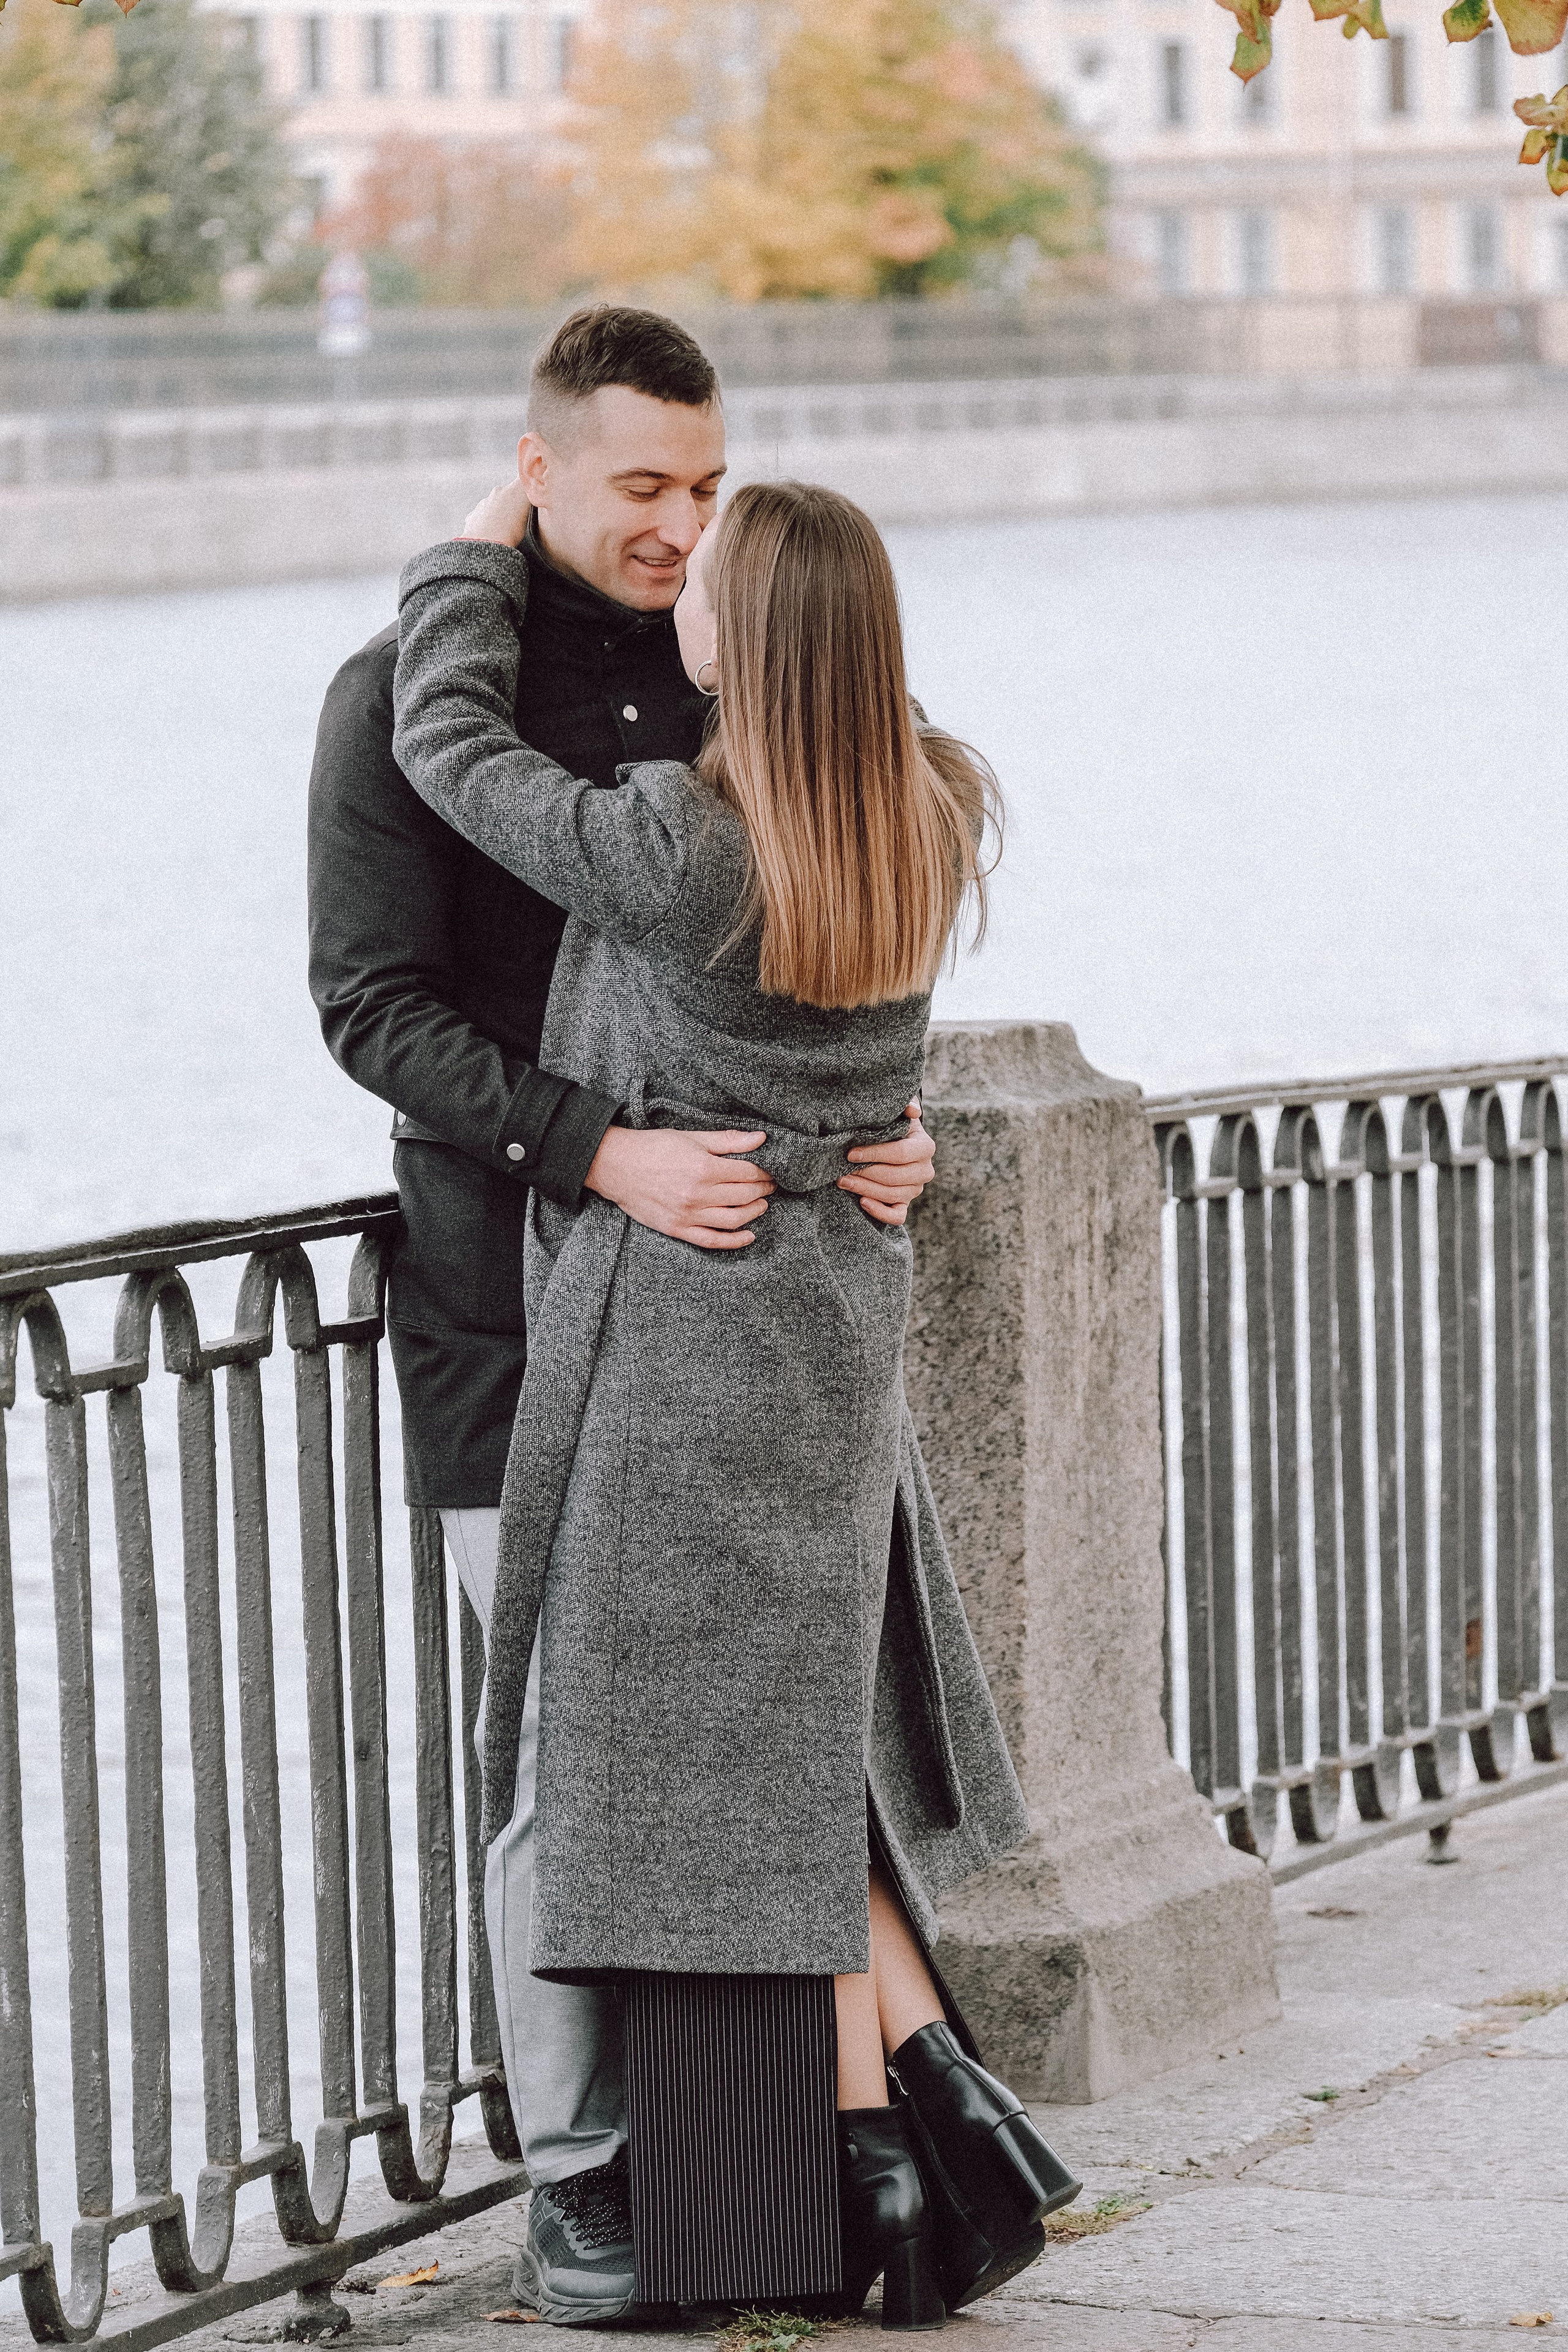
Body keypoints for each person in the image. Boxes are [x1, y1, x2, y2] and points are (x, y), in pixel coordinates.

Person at [388, 474, 1080, 2328]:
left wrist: (469, 554)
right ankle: (928, 2144)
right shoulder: (934, 803)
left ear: (741, 640)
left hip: (685, 1344)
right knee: (786, 1760)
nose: (675, 592)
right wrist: (870, 1134)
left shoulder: (682, 846)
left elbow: (449, 750)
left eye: (705, 579)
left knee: (702, 1769)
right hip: (835, 1328)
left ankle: (860, 2168)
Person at [307, 306, 939, 2328]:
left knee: (766, 1736)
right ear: (540, 472)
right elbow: (372, 1012)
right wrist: (600, 1153)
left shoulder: (749, 680)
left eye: (709, 487)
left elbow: (831, 931)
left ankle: (787, 2169)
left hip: (732, 1310)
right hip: (511, 1294)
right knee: (554, 1770)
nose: (681, 524)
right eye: (646, 485)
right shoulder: (395, 694)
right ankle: (586, 2171)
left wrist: (880, 1123)